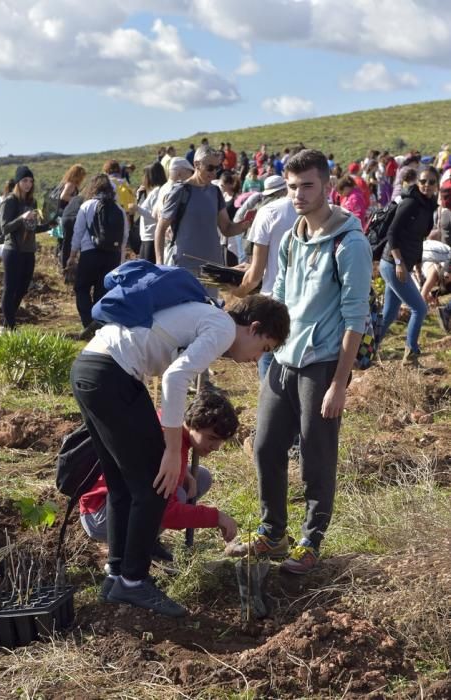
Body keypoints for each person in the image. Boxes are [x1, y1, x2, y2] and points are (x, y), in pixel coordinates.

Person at [70, 291, 290, 616]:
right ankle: (133, 581)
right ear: (254, 328)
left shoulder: (208, 317)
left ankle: (117, 576)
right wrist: (173, 452)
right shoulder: (223, 328)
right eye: (264, 348)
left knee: (122, 484)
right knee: (154, 486)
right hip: (112, 374)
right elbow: (174, 378)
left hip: (91, 368)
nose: (257, 358)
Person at [226, 149, 371, 575]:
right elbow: (282, 301)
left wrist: (339, 384)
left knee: (316, 455)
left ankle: (311, 541)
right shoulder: (290, 238)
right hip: (283, 359)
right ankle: (273, 533)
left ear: (327, 185)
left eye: (307, 185)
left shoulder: (350, 243)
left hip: (323, 363)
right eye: (292, 187)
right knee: (266, 446)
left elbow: (355, 316)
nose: (299, 194)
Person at [79, 391, 239, 553]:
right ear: (193, 423)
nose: (216, 447)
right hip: (100, 516)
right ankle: (134, 549)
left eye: (221, 441)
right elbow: (167, 514)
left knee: (202, 477)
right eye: (211, 438)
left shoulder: (171, 423)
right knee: (178, 496)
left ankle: (145, 537)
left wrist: (185, 473)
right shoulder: (164, 445)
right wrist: (216, 517)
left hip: (117, 497)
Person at [231, 175, 296, 379]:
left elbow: (255, 274)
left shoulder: (268, 212)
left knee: (269, 371)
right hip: (309, 304)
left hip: (274, 303)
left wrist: (237, 292)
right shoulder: (319, 211)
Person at [154, 146, 250, 277]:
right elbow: (161, 228)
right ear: (196, 164)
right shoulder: (180, 191)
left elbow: (226, 229)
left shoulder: (215, 192)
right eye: (210, 168)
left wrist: (247, 224)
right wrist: (159, 263)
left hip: (213, 267)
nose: (214, 172)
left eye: (217, 168)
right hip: (185, 266)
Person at [379, 166, 438, 366]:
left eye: (431, 182)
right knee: (420, 309)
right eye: (422, 181)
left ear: (437, 185)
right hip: (393, 263)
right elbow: (392, 233)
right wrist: (399, 263)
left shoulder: (429, 204)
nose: (426, 185)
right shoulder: (411, 203)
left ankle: (366, 351)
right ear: (417, 182)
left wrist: (418, 267)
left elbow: (418, 239)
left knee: (388, 314)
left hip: (404, 264)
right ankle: (411, 357)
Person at [67, 174, 129, 337]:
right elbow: (124, 236)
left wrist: (72, 255)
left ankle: (88, 323)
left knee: (82, 288)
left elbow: (78, 232)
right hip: (112, 256)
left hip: (90, 254)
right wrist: (121, 260)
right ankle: (99, 325)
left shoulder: (87, 206)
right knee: (102, 292)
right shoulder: (119, 209)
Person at [0, 166, 55, 330]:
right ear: (18, 182)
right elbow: (4, 228)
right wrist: (21, 218)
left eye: (31, 181)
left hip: (29, 251)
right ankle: (10, 326)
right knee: (10, 288)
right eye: (24, 180)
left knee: (23, 288)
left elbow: (32, 228)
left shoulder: (32, 202)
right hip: (13, 251)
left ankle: (7, 323)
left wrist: (48, 226)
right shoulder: (10, 201)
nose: (28, 184)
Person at [132, 162, 167, 263]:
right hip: (146, 236)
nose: (143, 178)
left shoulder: (158, 192)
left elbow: (154, 215)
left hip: (151, 237)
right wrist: (139, 197)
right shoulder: (152, 192)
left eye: (145, 175)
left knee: (148, 271)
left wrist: (137, 208)